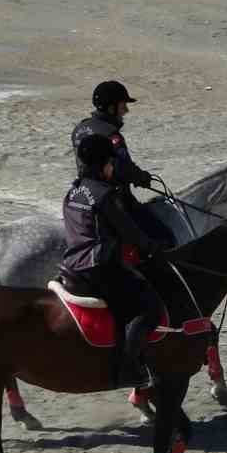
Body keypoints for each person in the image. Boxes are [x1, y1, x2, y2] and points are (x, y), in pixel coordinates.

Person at [60, 133, 171, 389]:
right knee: (150, 308)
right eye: (110, 163)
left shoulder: (74, 191)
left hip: (71, 265)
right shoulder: (105, 195)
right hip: (99, 267)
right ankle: (129, 368)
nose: (112, 167)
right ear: (103, 164)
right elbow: (129, 232)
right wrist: (154, 247)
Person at [71, 80, 175, 247]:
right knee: (162, 235)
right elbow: (123, 167)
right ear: (111, 107)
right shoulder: (111, 134)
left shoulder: (79, 129)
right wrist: (142, 178)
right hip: (114, 199)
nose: (125, 110)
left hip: (83, 193)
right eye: (123, 105)